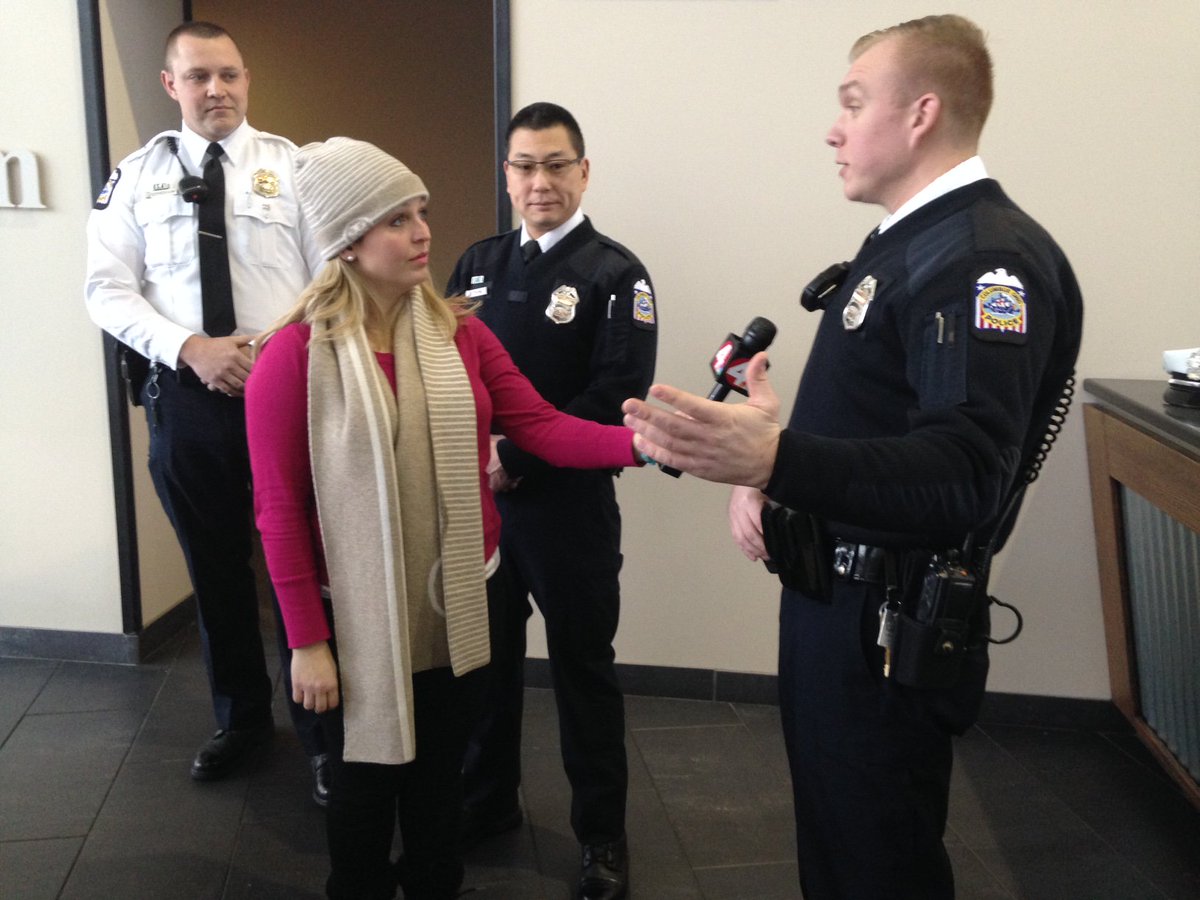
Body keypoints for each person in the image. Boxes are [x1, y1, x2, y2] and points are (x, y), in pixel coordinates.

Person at [621, 15, 1083, 900]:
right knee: (839, 846)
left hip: (885, 624)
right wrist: (772, 460)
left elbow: (962, 473)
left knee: (877, 862)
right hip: (838, 603)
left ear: (920, 113)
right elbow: (886, 428)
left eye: (853, 102)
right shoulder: (913, 243)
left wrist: (779, 462)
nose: (833, 129)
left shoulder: (981, 259)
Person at [245, 136, 645, 900]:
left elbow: (541, 425)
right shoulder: (291, 358)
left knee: (437, 793)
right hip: (352, 619)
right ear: (348, 243)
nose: (423, 231)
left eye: (421, 212)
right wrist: (306, 644)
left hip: (456, 601)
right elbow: (279, 512)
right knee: (363, 805)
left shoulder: (460, 332)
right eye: (396, 219)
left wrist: (649, 443)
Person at [83, 22, 330, 801]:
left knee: (308, 566)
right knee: (215, 570)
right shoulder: (135, 178)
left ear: (247, 78)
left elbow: (335, 282)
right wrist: (191, 347)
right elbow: (106, 290)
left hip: (287, 398)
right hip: (187, 404)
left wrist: (278, 347)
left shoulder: (294, 168)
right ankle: (243, 721)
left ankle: (326, 731)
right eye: (198, 77)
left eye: (227, 75)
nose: (215, 90)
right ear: (171, 86)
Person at [445, 101, 657, 900]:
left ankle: (602, 838)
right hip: (483, 514)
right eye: (524, 166)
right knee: (485, 669)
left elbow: (617, 397)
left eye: (555, 165)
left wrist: (514, 455)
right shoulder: (473, 264)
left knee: (583, 673)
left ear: (584, 171)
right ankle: (487, 802)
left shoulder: (615, 273)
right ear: (506, 174)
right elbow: (443, 370)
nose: (539, 182)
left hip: (568, 511)